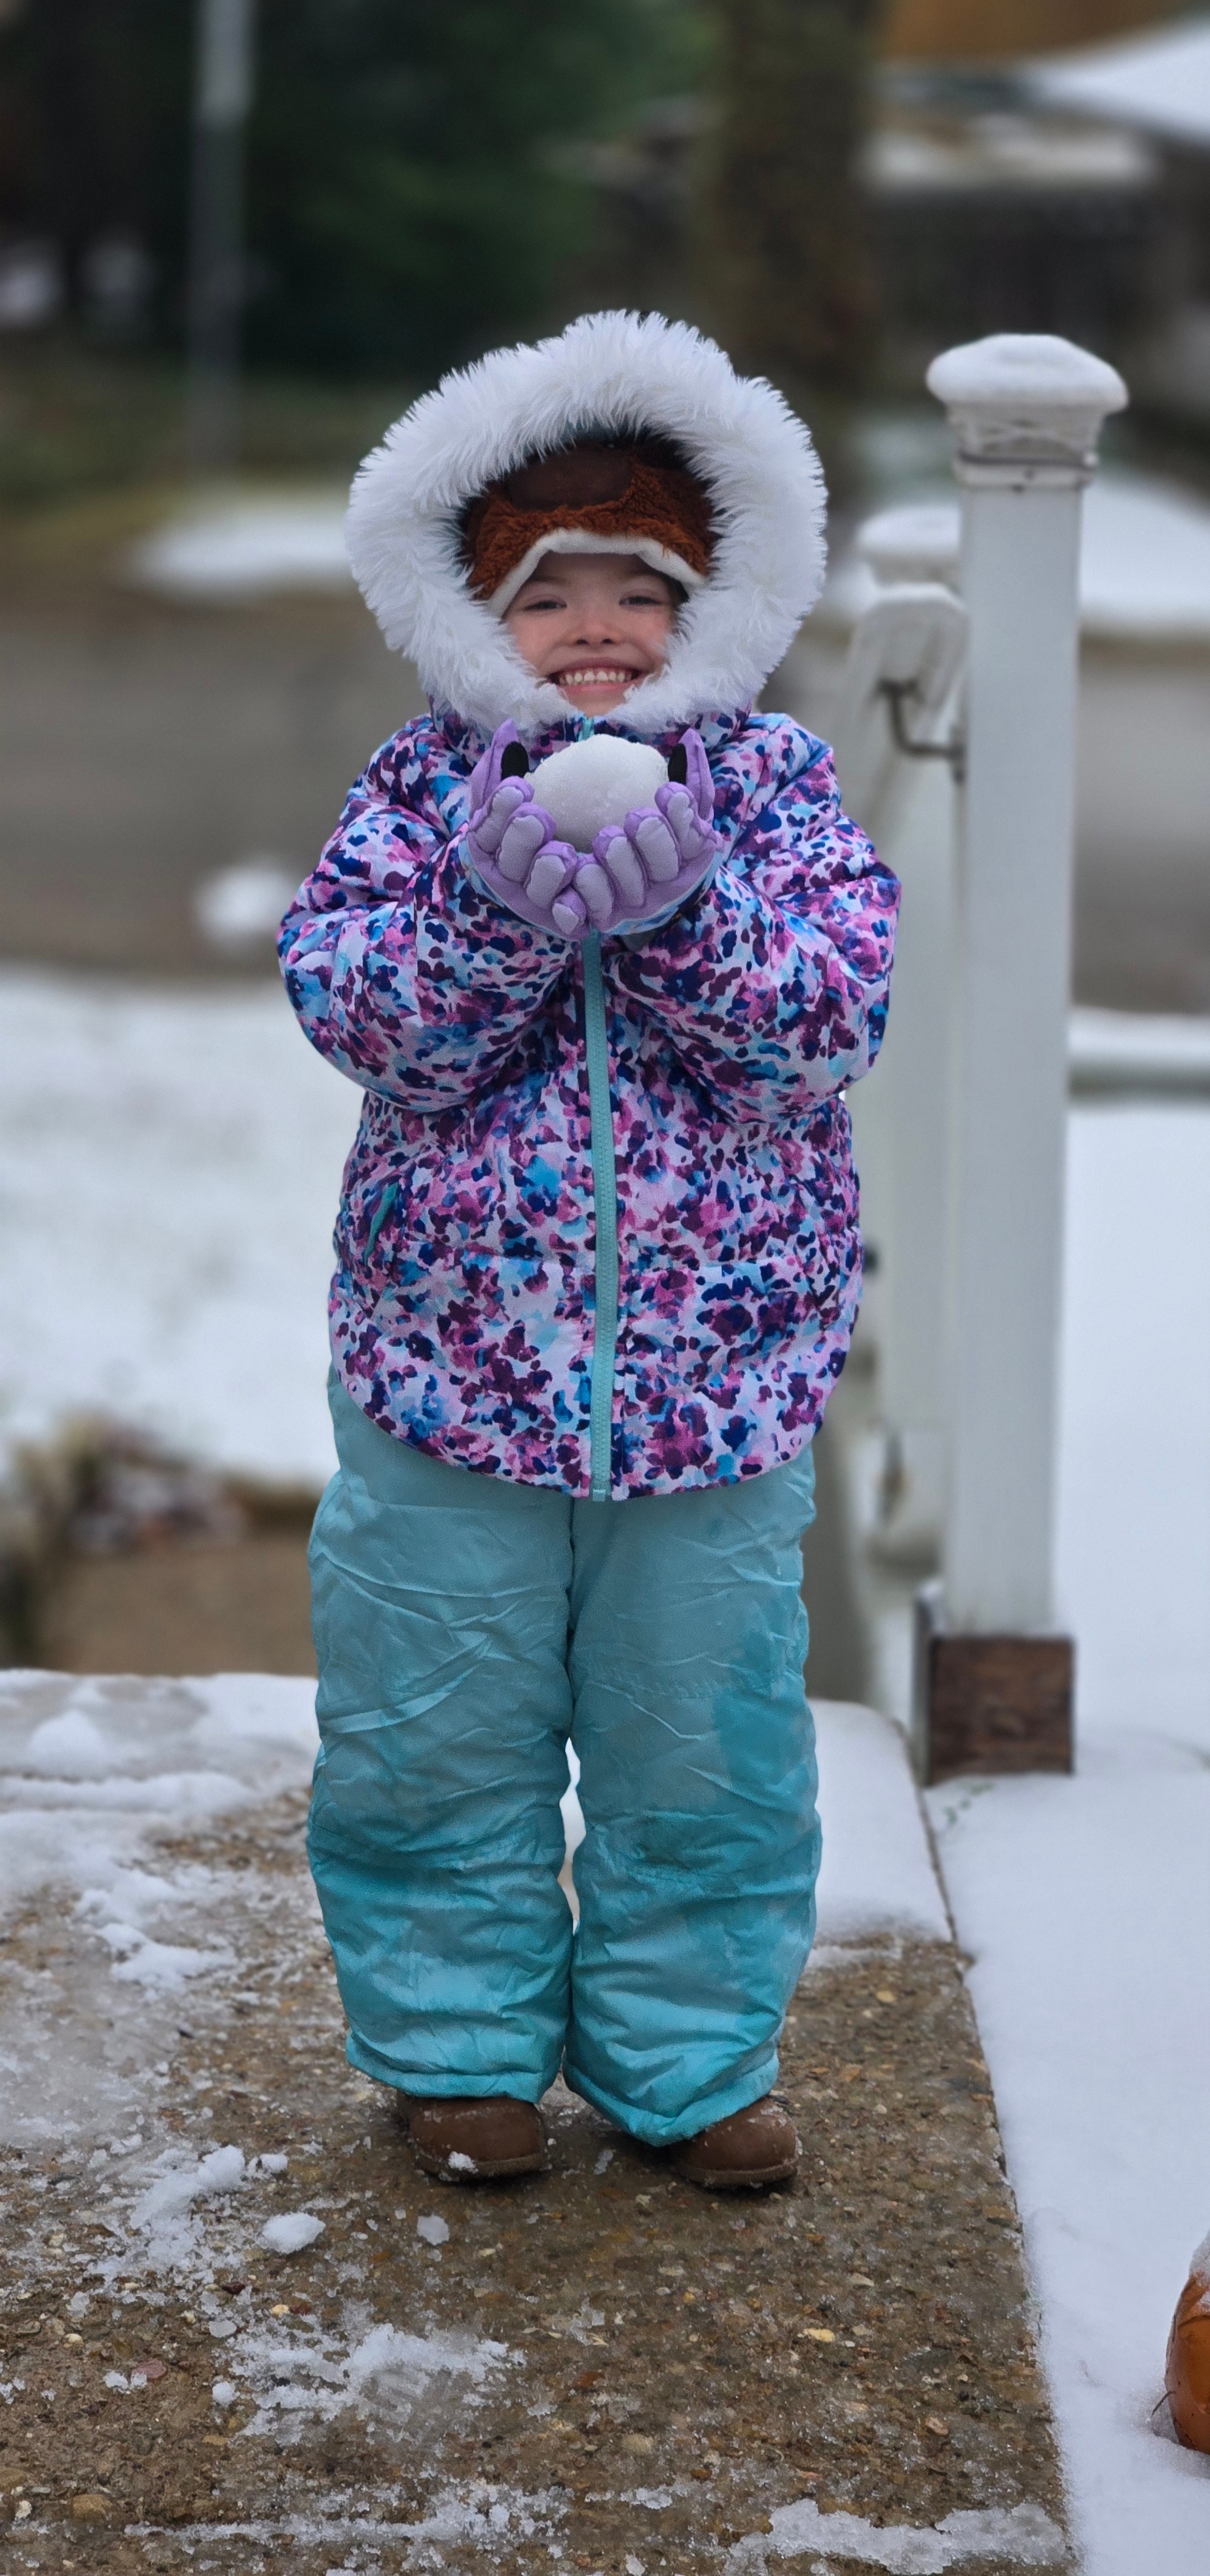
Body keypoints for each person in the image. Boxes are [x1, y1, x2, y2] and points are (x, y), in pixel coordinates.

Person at [278, 310, 898, 2189]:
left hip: (716, 1401)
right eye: (551, 592)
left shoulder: (774, 791)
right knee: (430, 1733)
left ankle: (690, 2065)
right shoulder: (422, 793)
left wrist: (689, 915)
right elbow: (359, 1010)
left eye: (646, 584)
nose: (601, 625)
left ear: (718, 601)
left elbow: (832, 1024)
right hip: (446, 1385)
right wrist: (492, 916)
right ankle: (456, 2049)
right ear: (474, 615)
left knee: (699, 1754)